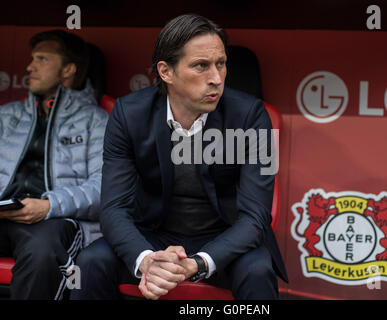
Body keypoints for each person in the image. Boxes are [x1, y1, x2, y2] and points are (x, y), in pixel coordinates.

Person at [71, 14, 288, 300]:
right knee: (91, 262)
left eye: (221, 64)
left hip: (226, 236)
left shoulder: (252, 115)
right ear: (166, 72)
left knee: (258, 271)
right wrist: (147, 259)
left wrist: (196, 263)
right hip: (152, 233)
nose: (216, 78)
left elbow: (255, 215)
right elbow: (113, 208)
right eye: (201, 66)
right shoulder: (129, 114)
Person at [0, 30, 108, 299]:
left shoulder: (97, 121)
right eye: (31, 58)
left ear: (68, 69)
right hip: (4, 212)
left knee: (41, 252)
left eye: (42, 59)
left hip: (55, 219)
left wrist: (48, 205)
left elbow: (104, 189)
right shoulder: (7, 115)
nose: (29, 67)